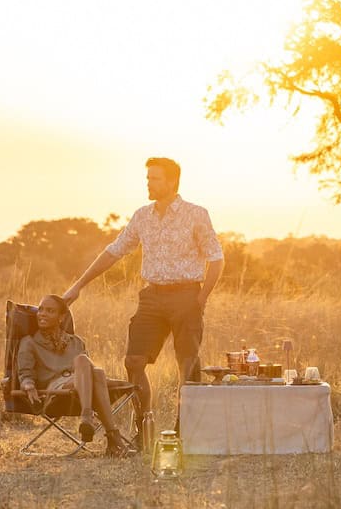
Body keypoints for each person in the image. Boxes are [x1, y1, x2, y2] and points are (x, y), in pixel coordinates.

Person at [63, 157, 224, 439]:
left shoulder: (196, 214)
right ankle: (144, 427)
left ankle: (184, 430)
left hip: (186, 295)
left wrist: (200, 300)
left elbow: (216, 258)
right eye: (148, 178)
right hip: (152, 297)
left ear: (172, 181)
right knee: (134, 361)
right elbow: (114, 251)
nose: (148, 183)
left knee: (187, 365)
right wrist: (78, 285)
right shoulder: (142, 216)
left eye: (154, 178)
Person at [16, 294, 125, 456]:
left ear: (61, 318)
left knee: (95, 370)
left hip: (81, 389)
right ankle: (94, 422)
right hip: (56, 393)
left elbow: (89, 372)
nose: (42, 314)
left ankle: (104, 434)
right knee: (89, 365)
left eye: (50, 311)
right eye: (41, 309)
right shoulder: (29, 342)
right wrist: (28, 385)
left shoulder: (76, 342)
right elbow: (25, 373)